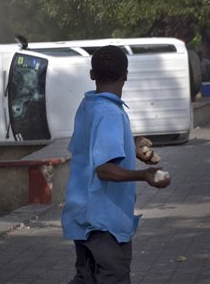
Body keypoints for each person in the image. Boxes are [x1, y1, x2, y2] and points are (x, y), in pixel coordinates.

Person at [61, 45, 170, 284]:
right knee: (113, 278)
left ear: (92, 75)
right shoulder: (110, 113)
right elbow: (104, 169)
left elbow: (94, 146)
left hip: (84, 216)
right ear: (126, 74)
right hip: (104, 223)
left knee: (87, 278)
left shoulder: (89, 105)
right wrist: (145, 175)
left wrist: (132, 145)